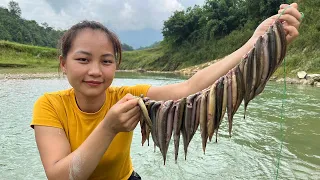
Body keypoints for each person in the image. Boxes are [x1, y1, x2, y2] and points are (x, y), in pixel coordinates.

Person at [31, 3, 302, 180]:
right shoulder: (49, 106)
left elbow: (191, 87)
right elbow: (59, 176)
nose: (95, 71)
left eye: (106, 61)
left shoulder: (128, 95)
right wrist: (109, 127)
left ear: (116, 66)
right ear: (63, 64)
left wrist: (254, 41)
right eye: (82, 59)